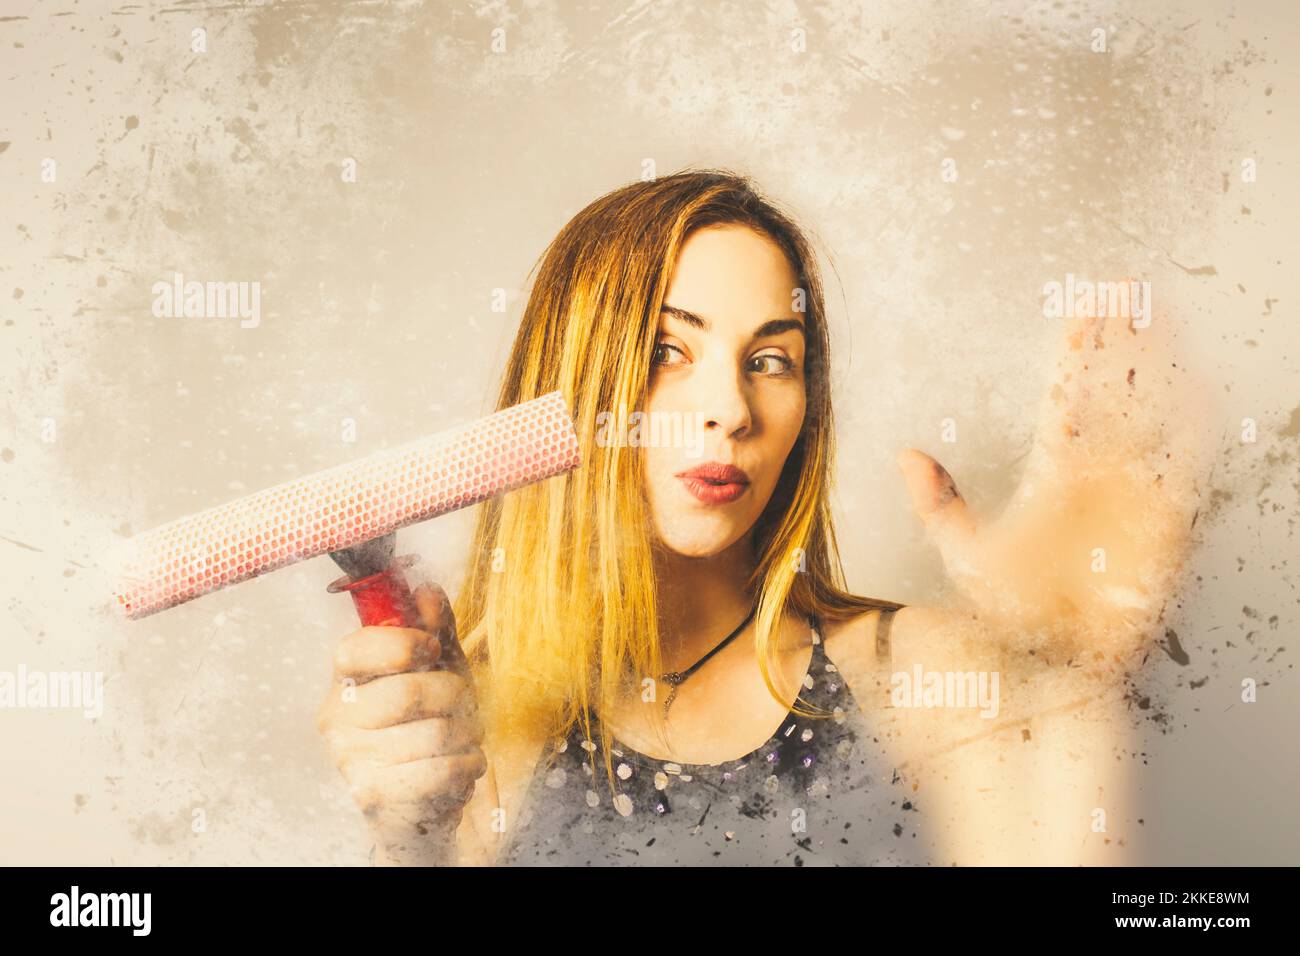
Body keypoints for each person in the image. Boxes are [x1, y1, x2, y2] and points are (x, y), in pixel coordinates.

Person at [315, 169, 1200, 866]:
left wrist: (1074, 692)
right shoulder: (474, 718)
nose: (730, 411)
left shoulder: (920, 680)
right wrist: (410, 844)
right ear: (567, 381)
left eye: (771, 360)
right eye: (669, 350)